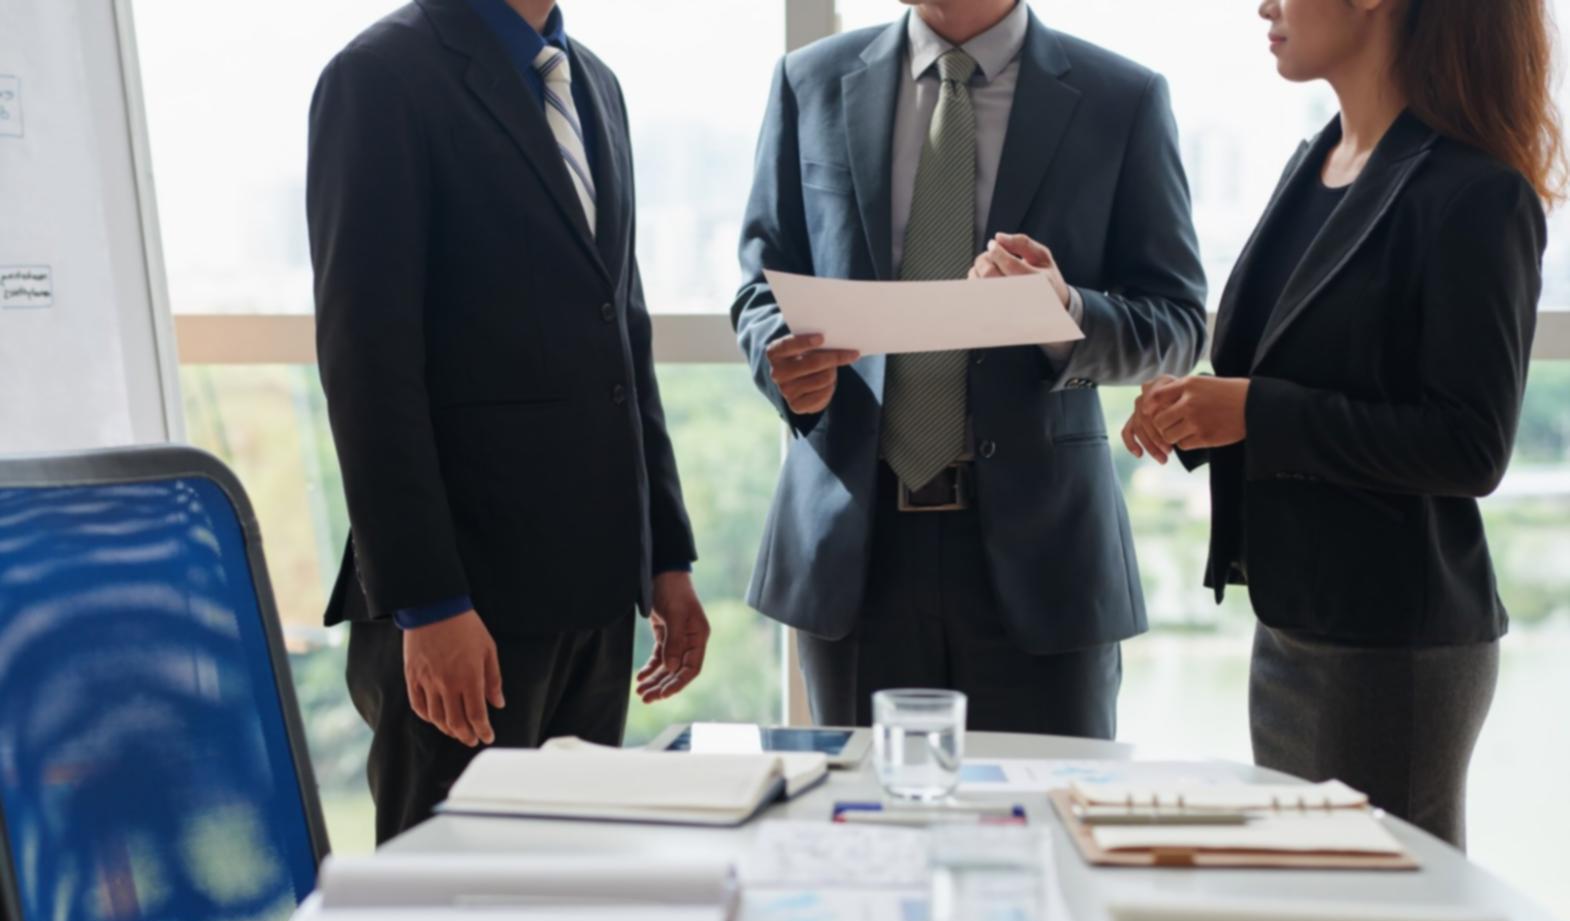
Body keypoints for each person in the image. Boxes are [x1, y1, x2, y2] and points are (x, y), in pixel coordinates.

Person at [1123, 0, 1561, 849]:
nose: (1264, 7)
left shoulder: (1477, 194)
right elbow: (1286, 375)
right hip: (1292, 624)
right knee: (1311, 919)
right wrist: (1199, 408)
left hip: (1392, 644)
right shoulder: (1315, 164)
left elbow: (1469, 446)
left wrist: (1251, 410)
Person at [732, 0, 1207, 736]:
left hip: (1044, 553)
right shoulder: (809, 80)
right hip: (854, 552)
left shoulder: (1124, 98)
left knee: (1042, 832)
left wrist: (1068, 311)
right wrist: (777, 359)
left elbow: (1177, 321)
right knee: (865, 835)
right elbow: (761, 283)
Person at [307, 0, 709, 843]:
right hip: (466, 606)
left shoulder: (594, 83)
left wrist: (665, 555)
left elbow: (621, 339)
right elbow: (367, 369)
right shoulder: (379, 77)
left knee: (566, 897)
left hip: (598, 595)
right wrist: (427, 603)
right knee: (446, 917)